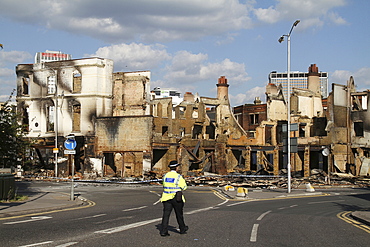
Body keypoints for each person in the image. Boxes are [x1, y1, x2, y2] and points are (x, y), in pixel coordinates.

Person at [160, 160, 188, 237]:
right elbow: (184, 187)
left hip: (166, 197)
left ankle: (163, 231)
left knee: (166, 215)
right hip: (176, 198)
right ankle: (182, 229)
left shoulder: (165, 176)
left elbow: (164, 185)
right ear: (176, 168)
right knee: (179, 214)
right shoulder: (178, 177)